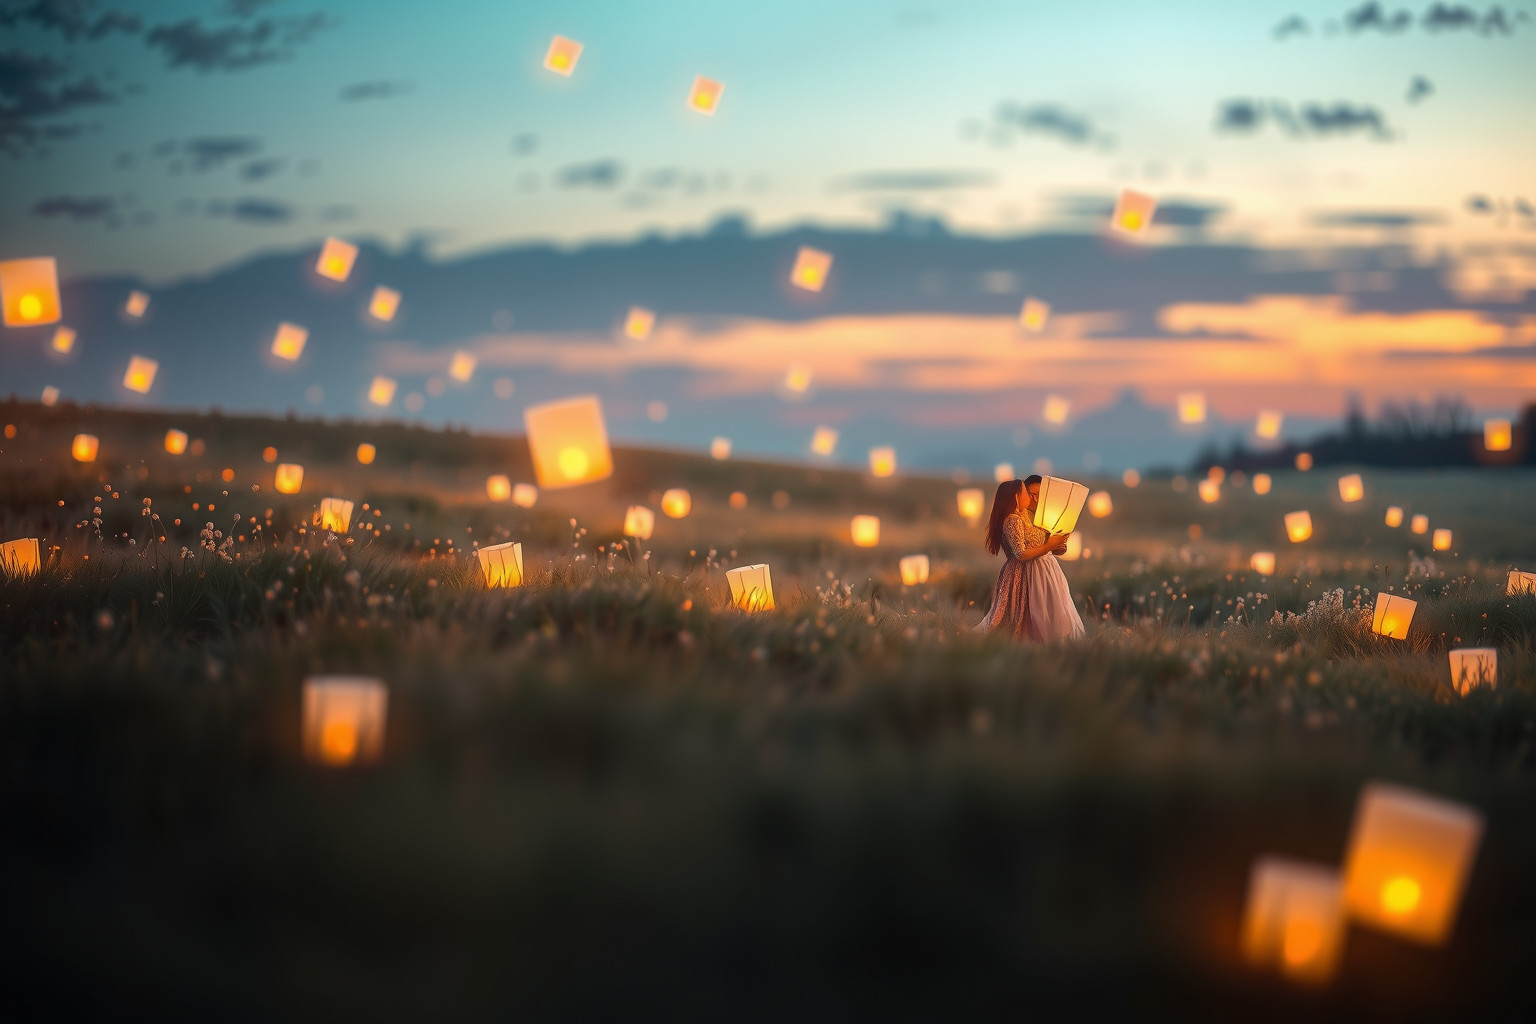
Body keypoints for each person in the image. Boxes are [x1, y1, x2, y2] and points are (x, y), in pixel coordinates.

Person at [976, 476, 1086, 641]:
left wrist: (1058, 545)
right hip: (1028, 571)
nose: (1033, 498)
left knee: (1053, 610)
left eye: (1038, 494)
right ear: (1017, 496)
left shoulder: (1046, 514)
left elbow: (1048, 544)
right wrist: (1049, 546)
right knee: (1030, 613)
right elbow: (1021, 552)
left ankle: (1054, 644)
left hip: (1047, 570)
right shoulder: (1015, 518)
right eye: (1029, 493)